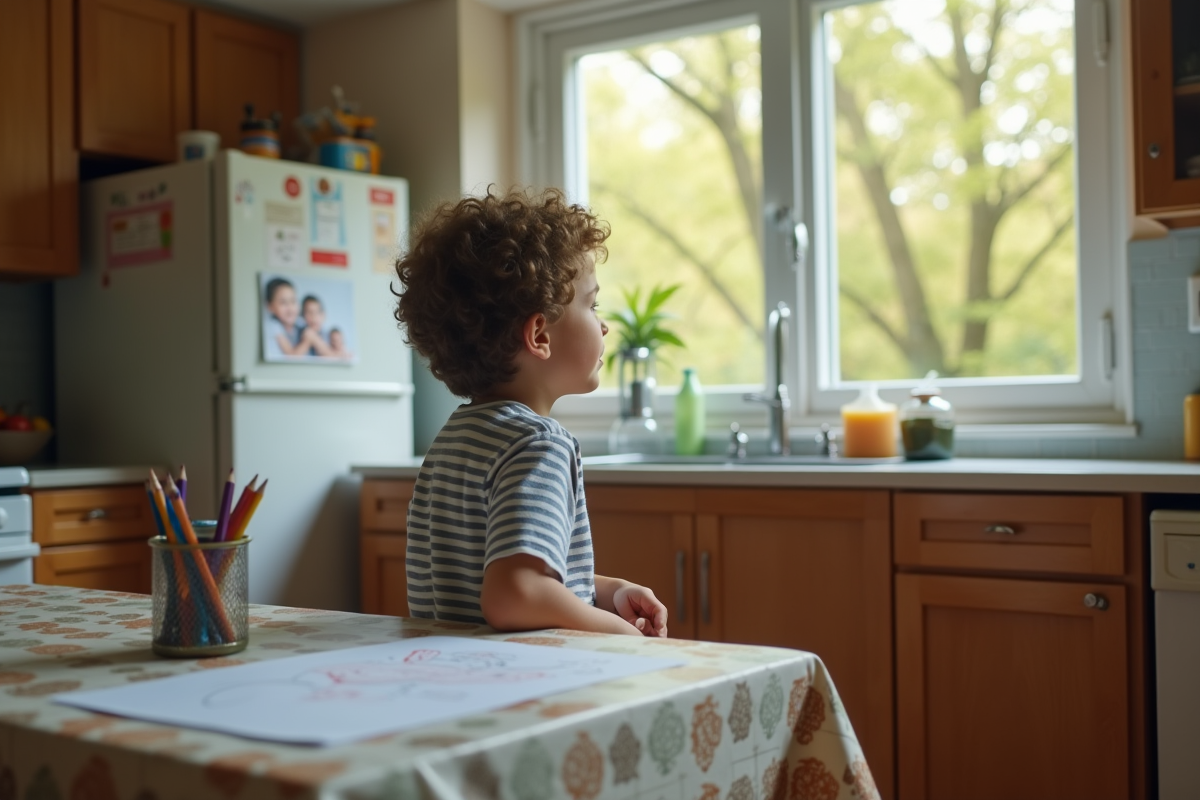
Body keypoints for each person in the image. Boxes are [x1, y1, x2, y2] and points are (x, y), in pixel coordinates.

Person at [394, 188, 668, 637]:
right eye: (590, 303)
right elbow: (514, 595)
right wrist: (620, 633)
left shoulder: (456, 438)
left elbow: (506, 573)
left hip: (448, 676)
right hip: (523, 679)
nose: (603, 324)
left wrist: (608, 591)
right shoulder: (540, 445)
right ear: (539, 335)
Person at [263, 278, 306, 359]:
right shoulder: (273, 326)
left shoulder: (300, 323)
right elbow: (292, 357)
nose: (290, 309)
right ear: (270, 306)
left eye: (293, 301)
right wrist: (307, 341)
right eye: (283, 303)